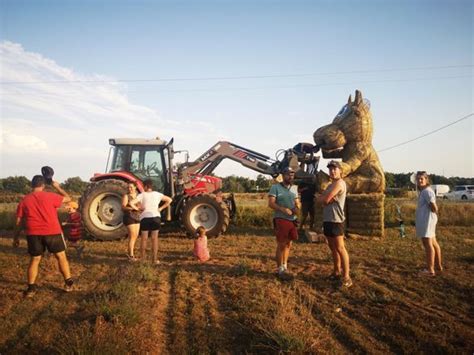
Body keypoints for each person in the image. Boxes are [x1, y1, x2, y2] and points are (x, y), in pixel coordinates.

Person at [13, 175, 74, 298]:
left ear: (32, 185)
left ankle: (31, 289)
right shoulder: (50, 196)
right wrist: (57, 187)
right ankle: (68, 284)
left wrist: (16, 237)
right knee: (61, 256)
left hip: (33, 233)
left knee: (35, 260)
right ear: (43, 185)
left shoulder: (24, 200)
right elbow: (68, 199)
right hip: (53, 231)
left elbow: (19, 222)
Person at [316, 160, 352, 288]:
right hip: (328, 219)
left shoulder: (339, 183)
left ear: (340, 171)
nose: (332, 171)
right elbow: (321, 199)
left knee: (340, 248)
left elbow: (323, 199)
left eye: (334, 169)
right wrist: (324, 199)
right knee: (332, 248)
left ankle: (347, 277)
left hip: (336, 220)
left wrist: (324, 199)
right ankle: (336, 272)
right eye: (330, 169)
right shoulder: (331, 185)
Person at [268, 167, 300, 277]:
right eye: (288, 174)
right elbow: (271, 203)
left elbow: (297, 202)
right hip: (281, 219)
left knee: (289, 243)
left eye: (292, 174)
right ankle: (279, 268)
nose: (290, 176)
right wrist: (283, 209)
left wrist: (297, 207)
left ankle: (285, 265)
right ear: (283, 175)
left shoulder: (294, 188)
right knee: (281, 244)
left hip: (292, 219)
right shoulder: (275, 188)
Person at [131, 179, 172, 265]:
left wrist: (138, 209)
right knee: (154, 239)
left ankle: (142, 259)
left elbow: (131, 203)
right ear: (151, 186)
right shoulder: (158, 194)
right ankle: (155, 260)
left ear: (145, 186)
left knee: (144, 239)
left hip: (145, 218)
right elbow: (169, 200)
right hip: (156, 217)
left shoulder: (142, 195)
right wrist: (161, 208)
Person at [415, 171, 442, 276]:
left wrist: (430, 214)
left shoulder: (426, 191)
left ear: (426, 180)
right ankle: (438, 266)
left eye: (422, 178)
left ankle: (430, 270)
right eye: (418, 179)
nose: (419, 180)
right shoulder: (425, 191)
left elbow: (434, 207)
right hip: (428, 220)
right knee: (434, 243)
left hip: (427, 221)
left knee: (428, 244)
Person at [122, 182, 141, 261]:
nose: (129, 189)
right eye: (128, 187)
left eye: (131, 187)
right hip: (129, 217)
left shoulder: (138, 196)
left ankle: (131, 252)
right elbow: (123, 207)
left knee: (135, 236)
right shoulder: (126, 196)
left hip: (137, 217)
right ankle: (131, 256)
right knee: (132, 236)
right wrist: (132, 208)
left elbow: (140, 205)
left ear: (135, 187)